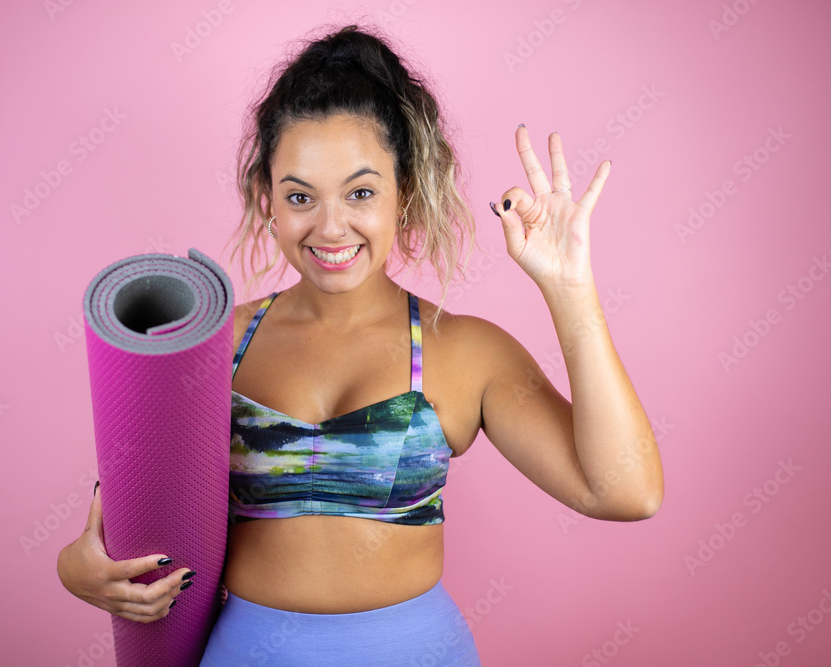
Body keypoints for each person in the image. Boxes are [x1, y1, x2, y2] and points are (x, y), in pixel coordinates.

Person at [57, 23, 664, 666]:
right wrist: (78, 571)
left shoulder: (464, 351)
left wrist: (570, 289)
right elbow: (116, 520)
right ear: (267, 199)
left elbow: (625, 491)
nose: (331, 226)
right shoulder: (216, 347)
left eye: (361, 192)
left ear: (404, 195)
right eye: (300, 196)